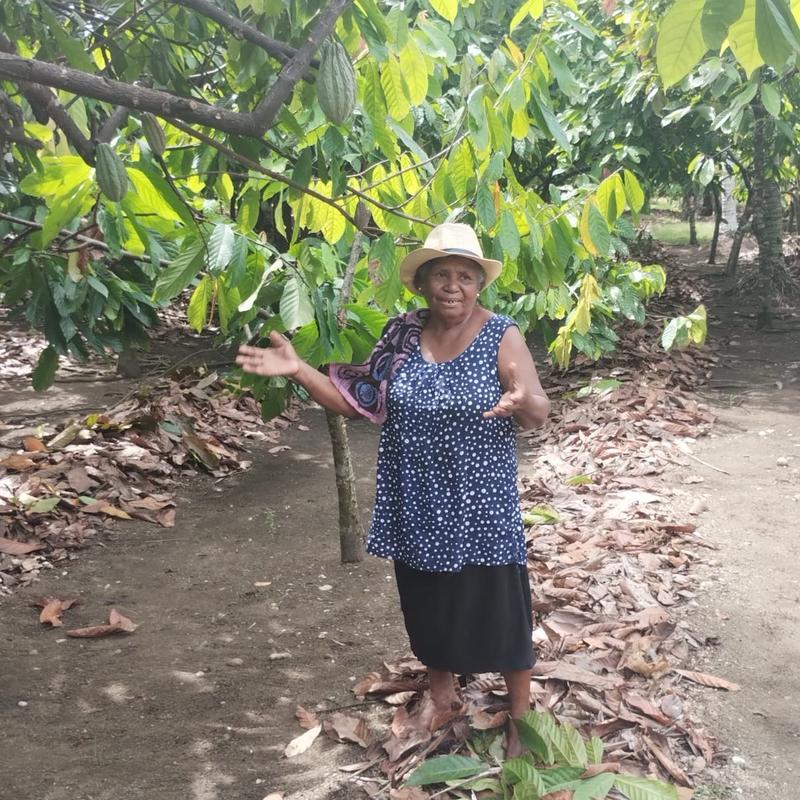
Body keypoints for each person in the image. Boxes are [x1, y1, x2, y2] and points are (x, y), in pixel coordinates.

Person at [236, 222, 550, 755]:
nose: (454, 286)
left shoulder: (502, 333)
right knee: (426, 603)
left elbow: (538, 414)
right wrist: (298, 370)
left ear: (480, 285)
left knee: (499, 607)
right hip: (417, 499)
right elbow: (354, 400)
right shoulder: (402, 335)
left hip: (480, 504)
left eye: (466, 277)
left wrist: (523, 400)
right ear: (422, 284)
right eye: (442, 276)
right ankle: (443, 693)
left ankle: (520, 715)